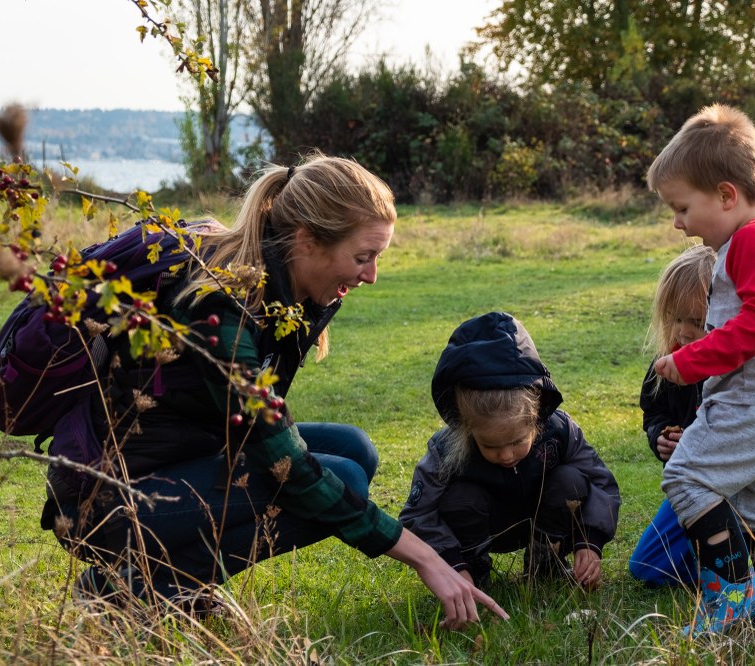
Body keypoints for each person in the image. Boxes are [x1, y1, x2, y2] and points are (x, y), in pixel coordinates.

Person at [42, 153, 507, 628]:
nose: (370, 276)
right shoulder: (220, 304)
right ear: (306, 241)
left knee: (354, 451)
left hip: (174, 467)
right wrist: (422, 555)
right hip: (103, 500)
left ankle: (176, 583)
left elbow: (263, 433)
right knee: (340, 479)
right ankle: (128, 592)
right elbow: (282, 460)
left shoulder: (289, 299)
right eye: (362, 257)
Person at [645, 104, 755, 637]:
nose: (677, 222)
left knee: (687, 477)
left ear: (726, 195)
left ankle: (732, 597)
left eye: (681, 208)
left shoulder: (750, 239)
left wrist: (688, 362)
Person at [628, 244, 755, 590]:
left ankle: (743, 581)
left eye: (696, 322)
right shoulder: (667, 364)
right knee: (647, 567)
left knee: (751, 549)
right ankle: (726, 566)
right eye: (675, 318)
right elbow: (655, 413)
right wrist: (661, 439)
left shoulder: (751, 372)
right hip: (704, 487)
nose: (682, 332)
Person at [399, 312, 621, 590]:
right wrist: (451, 564)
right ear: (466, 427)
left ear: (537, 416)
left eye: (517, 441)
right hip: (484, 524)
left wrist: (590, 542)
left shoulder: (560, 431)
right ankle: (474, 573)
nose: (506, 455)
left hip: (544, 517)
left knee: (571, 481)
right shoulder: (445, 450)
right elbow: (417, 515)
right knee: (459, 499)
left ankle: (546, 561)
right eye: (489, 446)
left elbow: (602, 483)